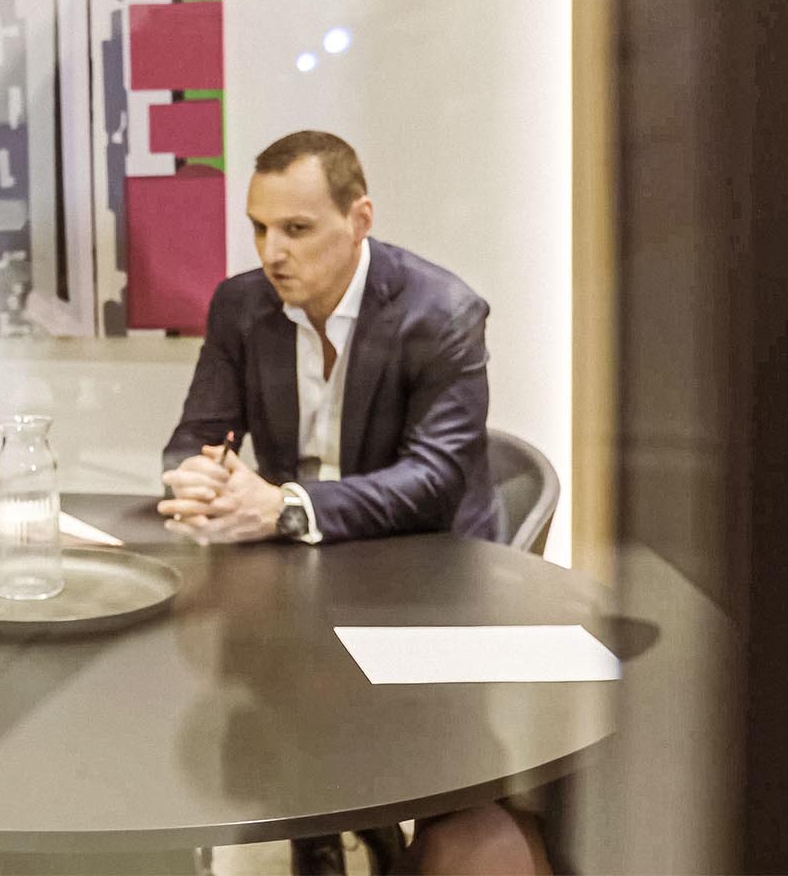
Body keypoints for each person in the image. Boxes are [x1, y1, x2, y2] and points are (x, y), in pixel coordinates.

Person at [157, 130, 531, 875]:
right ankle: (319, 827)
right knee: (215, 668)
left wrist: (286, 507)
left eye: (296, 229)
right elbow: (195, 436)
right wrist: (198, 477)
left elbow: (434, 479)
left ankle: (375, 821)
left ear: (359, 220)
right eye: (259, 228)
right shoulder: (241, 305)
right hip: (302, 569)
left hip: (423, 577)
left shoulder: (443, 312)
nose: (272, 252)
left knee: (425, 779)